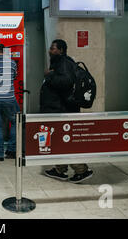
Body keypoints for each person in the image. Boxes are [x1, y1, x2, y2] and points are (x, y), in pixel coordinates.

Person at [40, 39, 93, 183]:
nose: (50, 51)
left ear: (61, 50)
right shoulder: (60, 63)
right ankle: (59, 169)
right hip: (58, 109)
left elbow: (66, 82)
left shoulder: (63, 63)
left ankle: (82, 170)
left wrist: (49, 76)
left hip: (61, 110)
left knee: (64, 141)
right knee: (59, 140)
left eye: (53, 48)